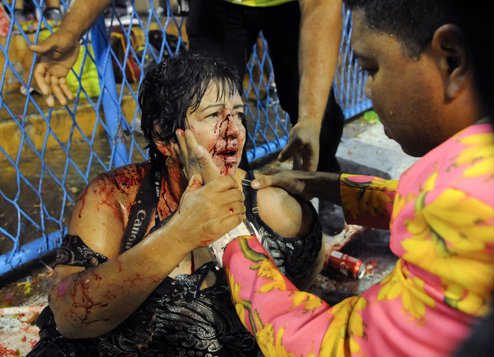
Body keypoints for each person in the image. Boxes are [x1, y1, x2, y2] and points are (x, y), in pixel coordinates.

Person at [213, 0, 494, 353]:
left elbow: (331, 346)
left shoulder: (453, 207)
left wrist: (232, 242)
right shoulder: (477, 164)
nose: (366, 91)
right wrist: (324, 186)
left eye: (370, 68)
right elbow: (420, 201)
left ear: (450, 60)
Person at [28, 54, 323, 355]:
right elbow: (69, 318)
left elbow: (302, 300)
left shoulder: (269, 206)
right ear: (163, 136)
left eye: (238, 114)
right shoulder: (117, 197)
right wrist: (180, 233)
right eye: (213, 116)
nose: (234, 130)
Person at [33, 0, 348, 212]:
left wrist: (309, 116)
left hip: (290, 7)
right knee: (209, 103)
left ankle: (326, 177)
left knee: (317, 111)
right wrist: (71, 30)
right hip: (218, 8)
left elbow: (322, 6)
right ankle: (238, 200)